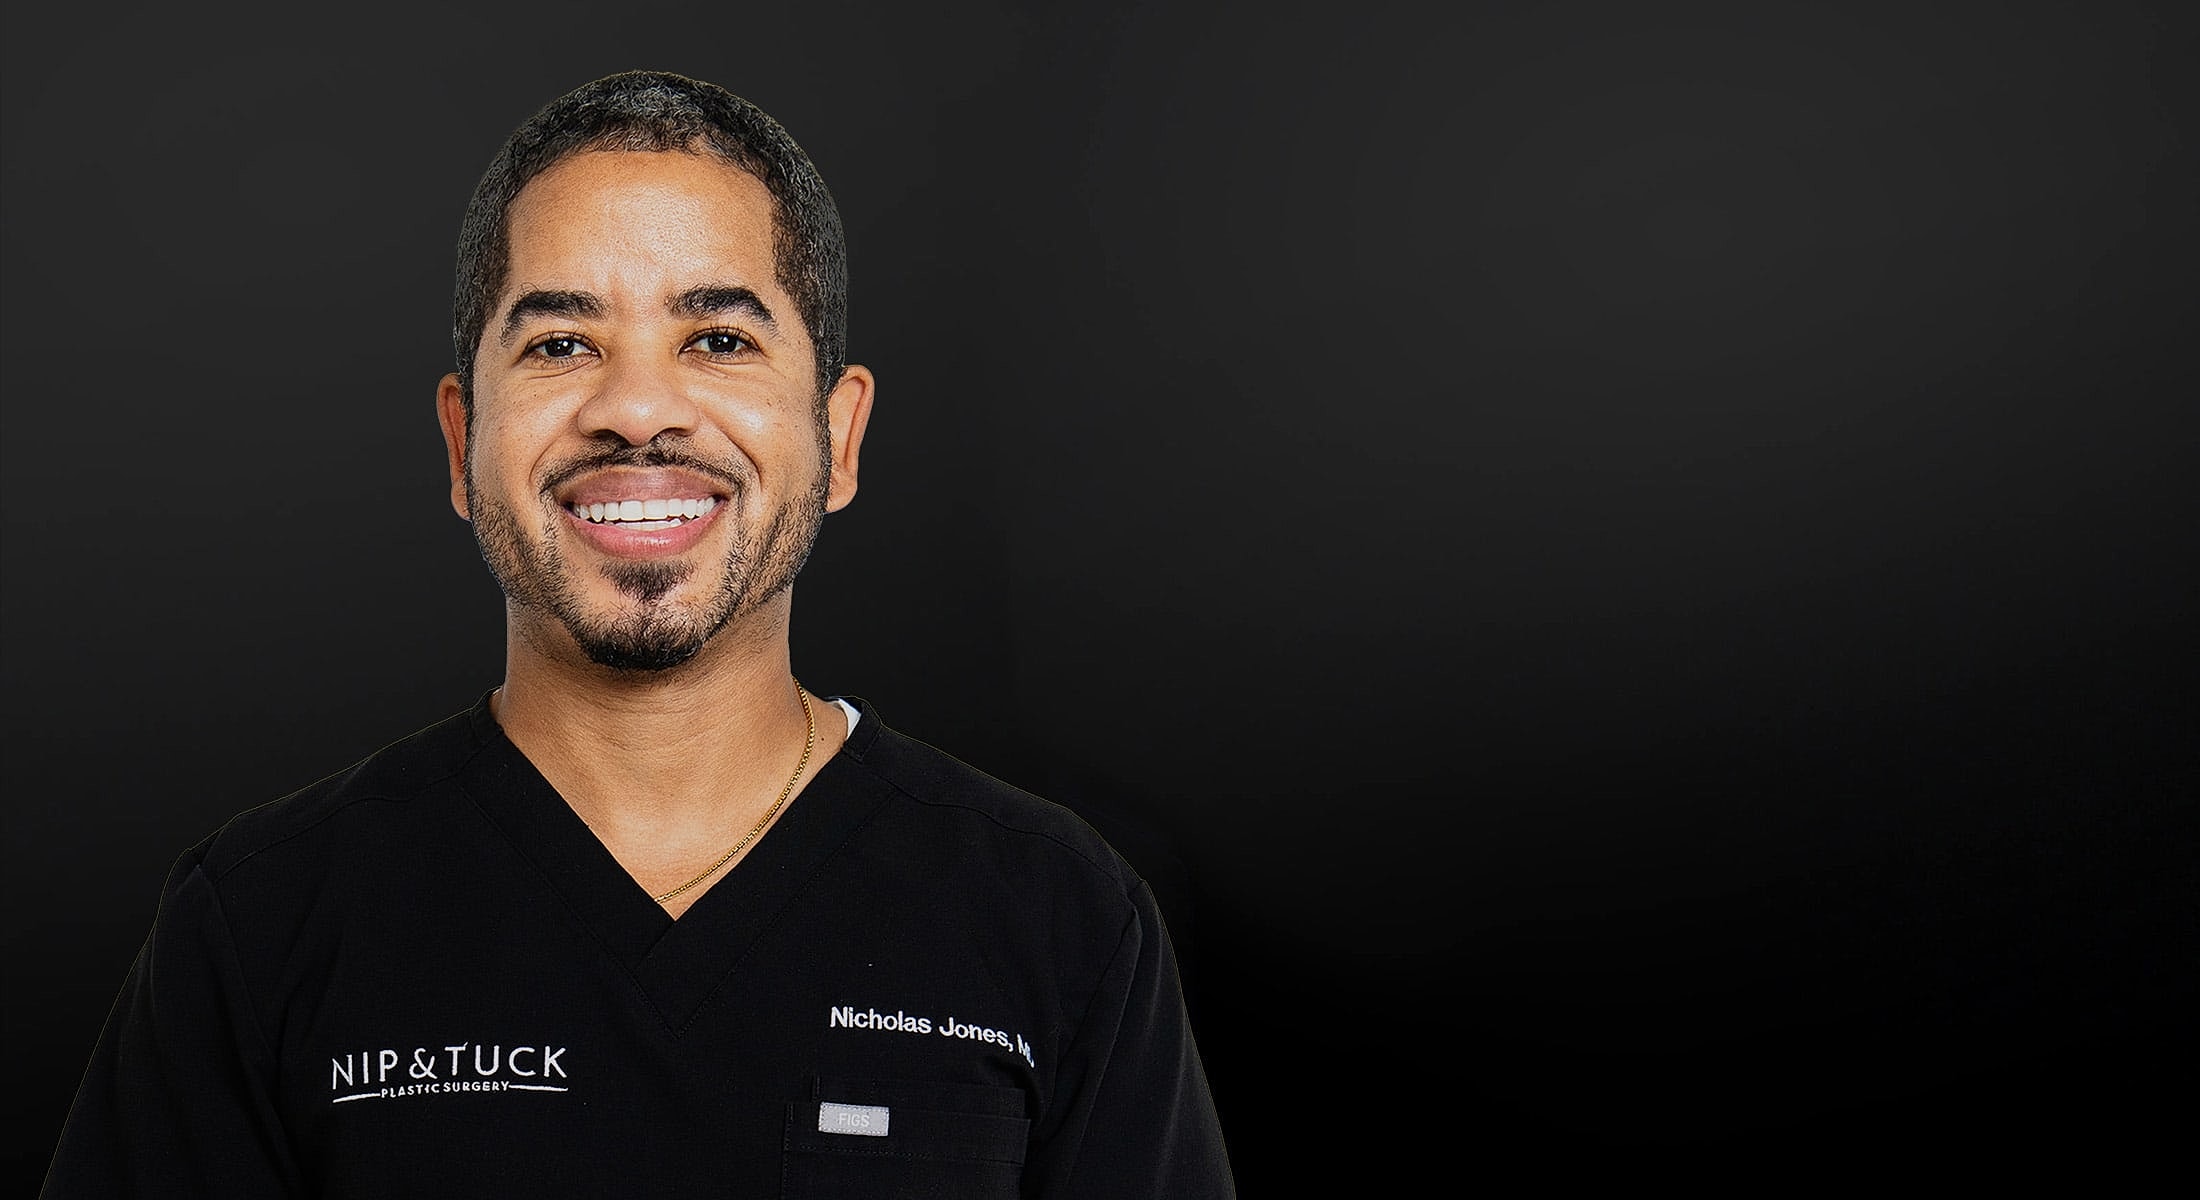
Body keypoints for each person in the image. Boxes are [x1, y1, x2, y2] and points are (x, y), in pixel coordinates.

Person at [42, 69, 1233, 1198]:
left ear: (839, 438)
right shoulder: (259, 923)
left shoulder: (1061, 917)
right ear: (462, 442)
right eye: (561, 344)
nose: (638, 409)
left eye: (719, 339)